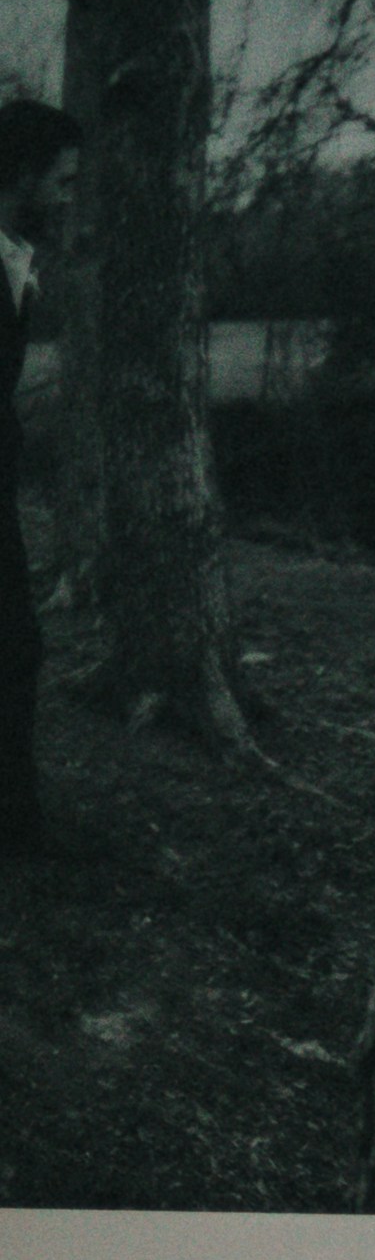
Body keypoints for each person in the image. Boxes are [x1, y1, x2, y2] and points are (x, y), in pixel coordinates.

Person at [0, 99, 81, 870]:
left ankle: (17, 822)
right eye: (62, 181)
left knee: (17, 650)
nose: (67, 198)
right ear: (21, 174)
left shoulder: (15, 258)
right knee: (16, 648)